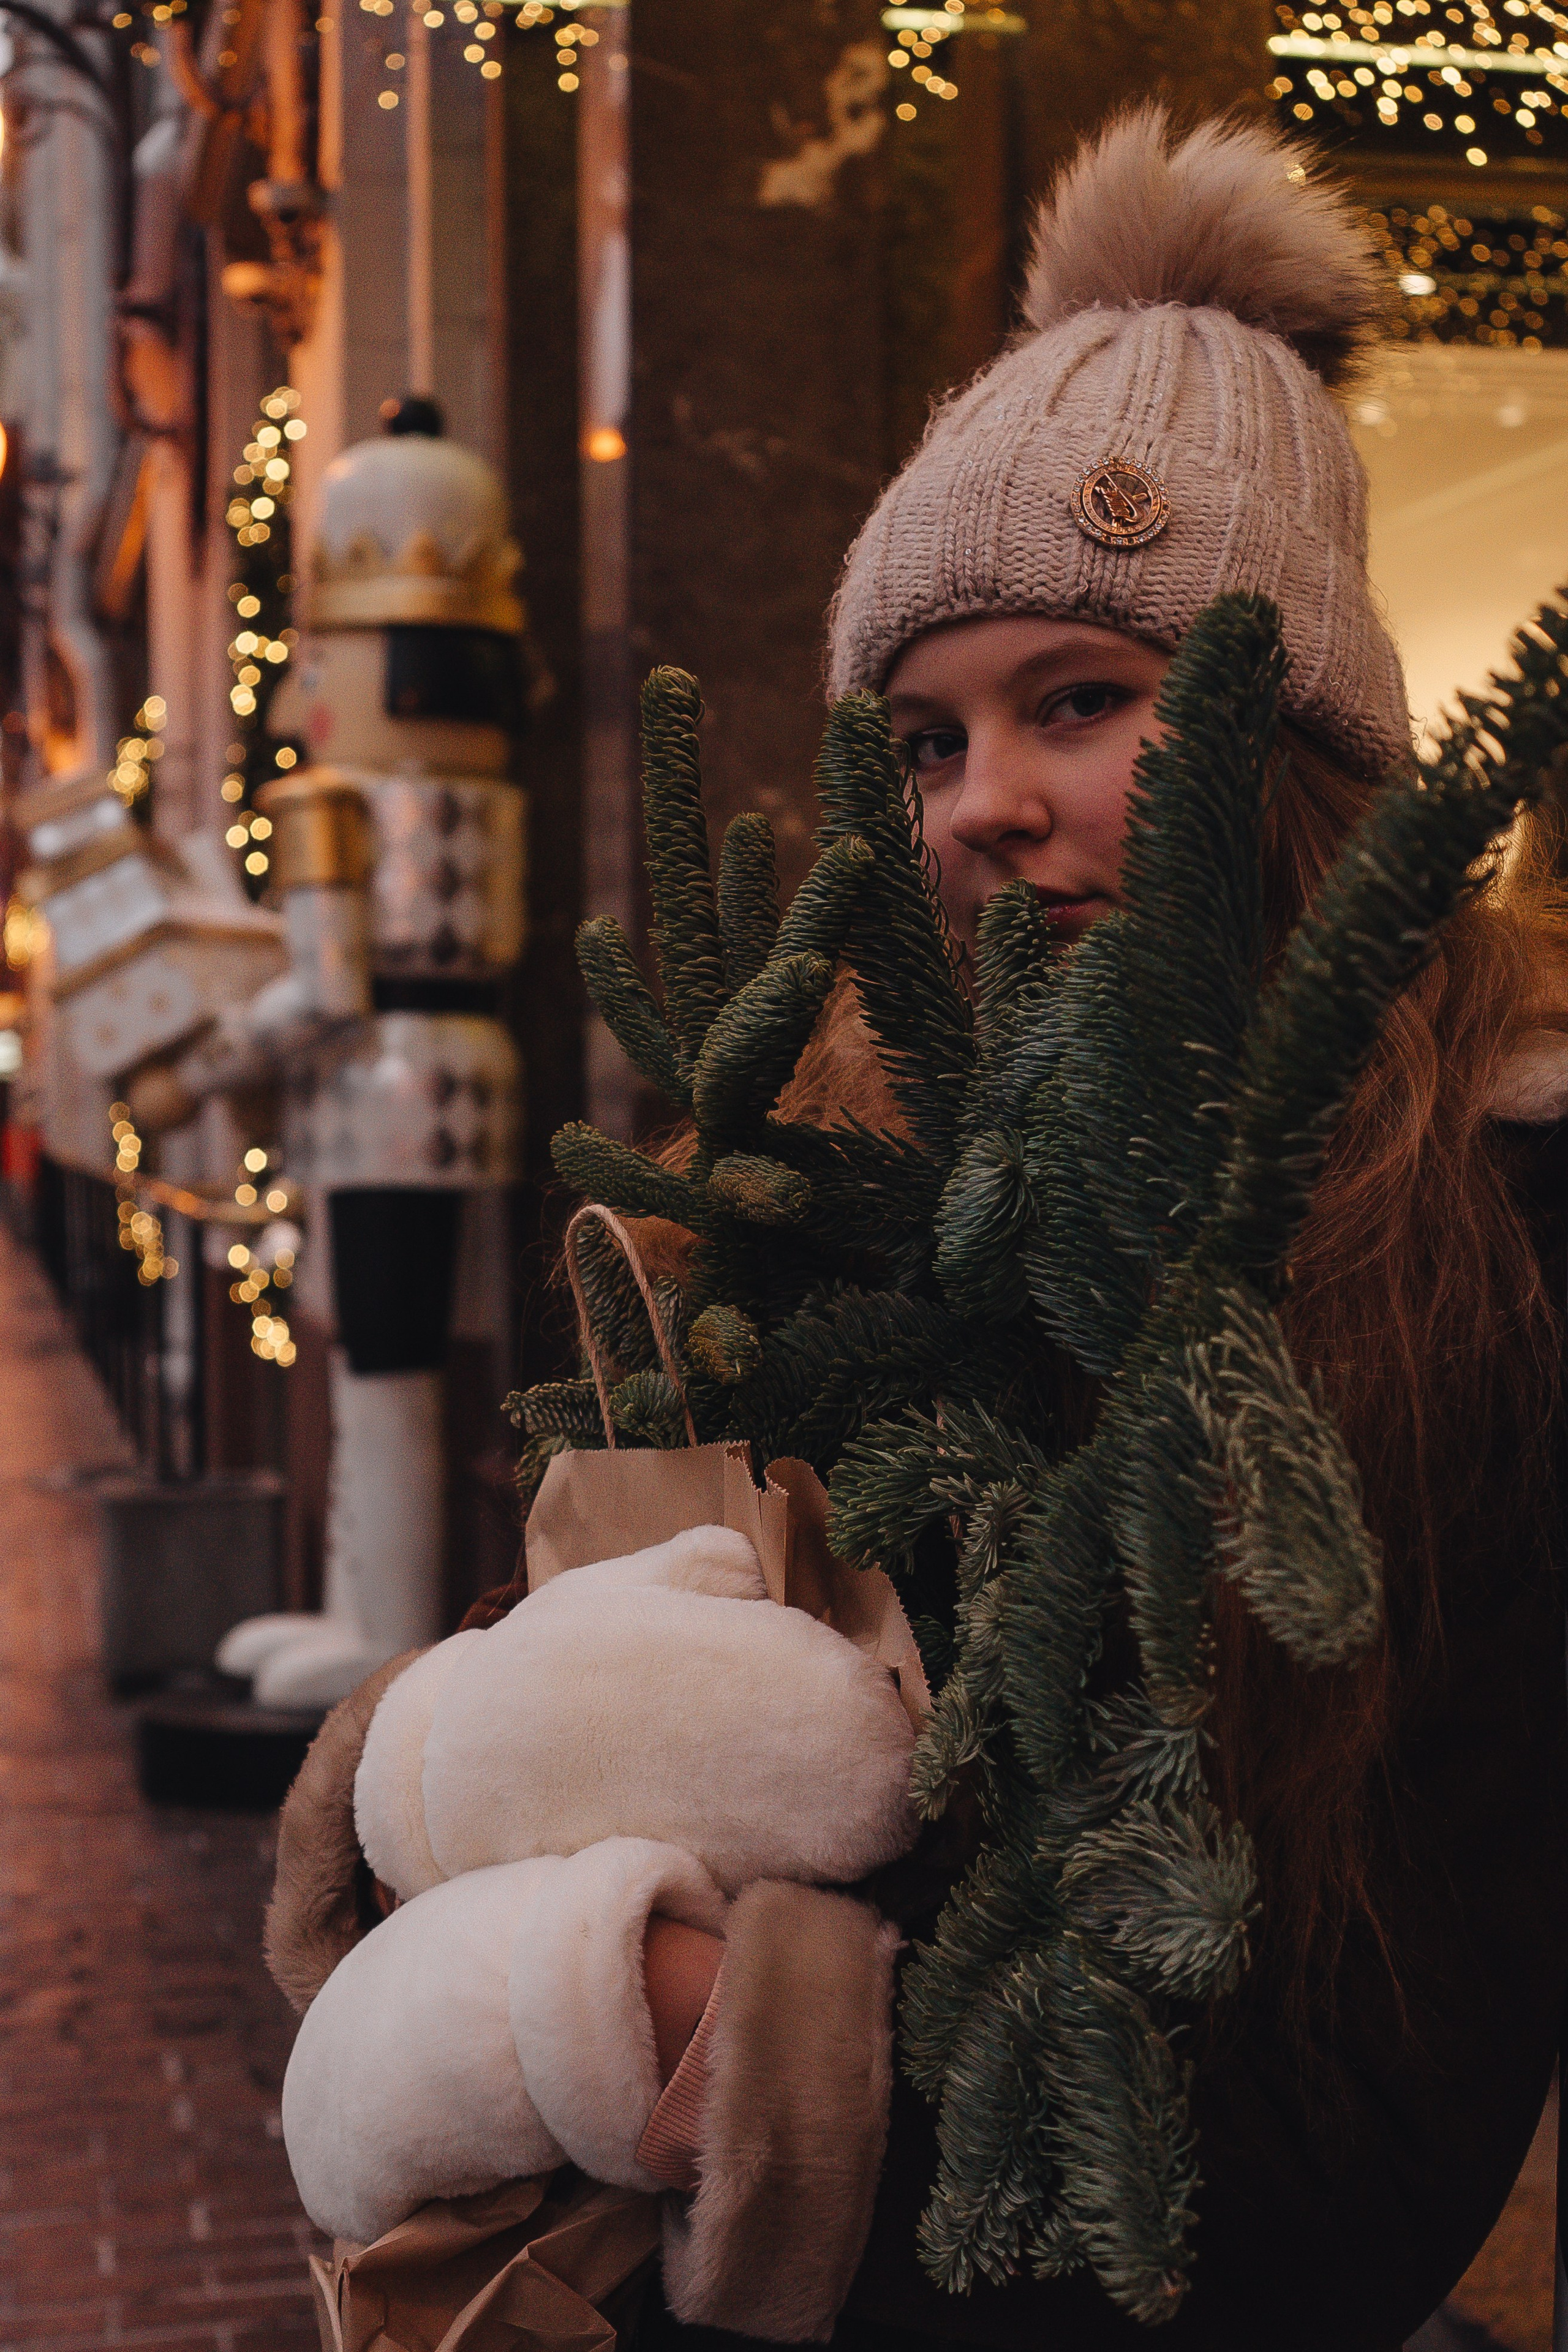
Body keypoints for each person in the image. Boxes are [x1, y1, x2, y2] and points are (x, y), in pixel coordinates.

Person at [267, 107, 1568, 2352]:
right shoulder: (808, 1185)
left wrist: (704, 2043)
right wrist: (464, 1782)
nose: (985, 806)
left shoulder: (1490, 1247)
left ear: (1301, 745)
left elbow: (1367, 2131)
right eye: (925, 736)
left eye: (1084, 701)